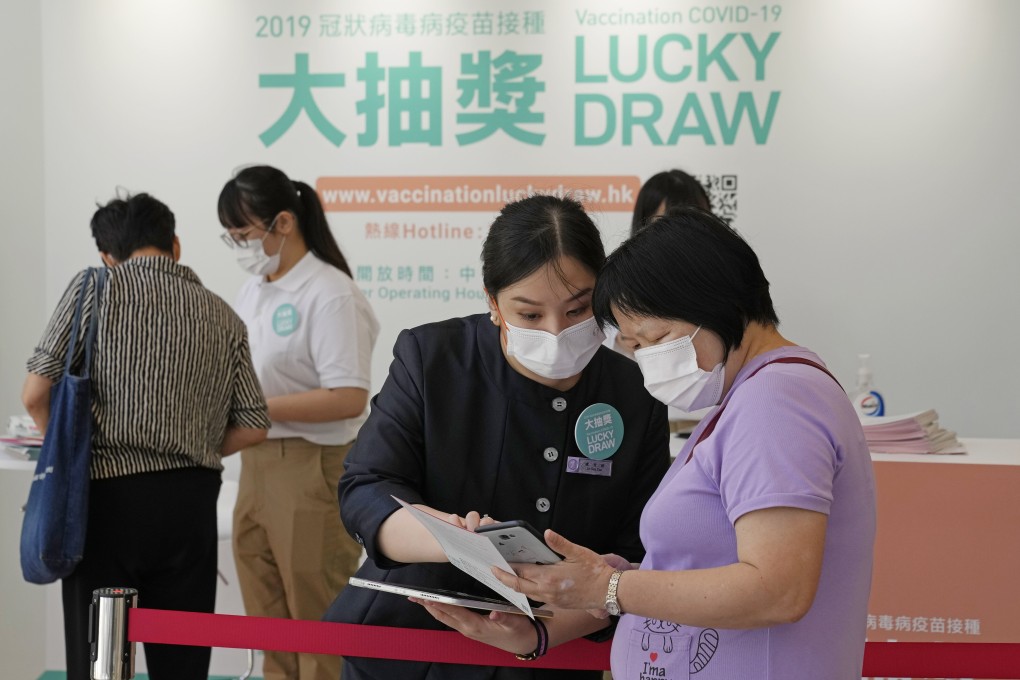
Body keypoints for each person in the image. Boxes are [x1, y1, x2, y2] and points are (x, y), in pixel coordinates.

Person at [420, 208, 876, 679]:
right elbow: (704, 568)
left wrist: (610, 586)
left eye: (657, 338)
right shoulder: (747, 395)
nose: (647, 361)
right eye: (634, 346)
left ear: (714, 303)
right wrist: (581, 599)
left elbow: (778, 589)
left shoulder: (776, 399)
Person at [324, 194, 672, 680]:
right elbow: (366, 487)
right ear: (492, 302)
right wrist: (448, 539)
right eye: (530, 315)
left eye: (577, 310)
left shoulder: (636, 394)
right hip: (412, 645)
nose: (556, 332)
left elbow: (638, 553)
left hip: (550, 655)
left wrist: (540, 635)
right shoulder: (434, 358)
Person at [22, 192, 270, 680]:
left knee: (99, 660)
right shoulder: (221, 313)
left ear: (108, 255)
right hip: (192, 504)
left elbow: (35, 393)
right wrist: (194, 447)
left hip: (107, 502)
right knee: (182, 663)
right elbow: (255, 423)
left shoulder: (93, 288)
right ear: (175, 244)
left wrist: (71, 454)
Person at [217, 165, 380, 680]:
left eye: (244, 234)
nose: (239, 245)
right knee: (268, 623)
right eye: (232, 236)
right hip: (256, 465)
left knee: (317, 624)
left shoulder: (331, 292)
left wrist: (256, 405)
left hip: (311, 468)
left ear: (283, 222)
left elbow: (349, 396)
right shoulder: (255, 289)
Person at [606, 169, 711, 359]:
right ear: (643, 224)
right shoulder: (617, 287)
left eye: (693, 222)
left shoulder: (721, 280)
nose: (680, 234)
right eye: (666, 223)